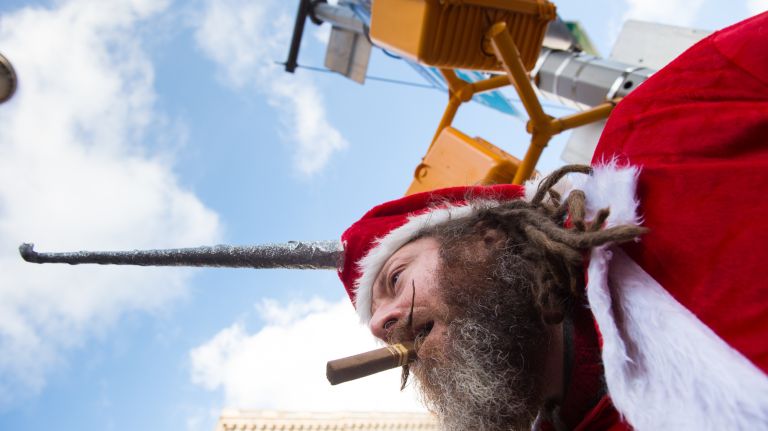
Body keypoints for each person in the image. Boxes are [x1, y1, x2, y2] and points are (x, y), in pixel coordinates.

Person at [337, 12, 768, 431]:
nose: (379, 326)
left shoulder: (655, 138)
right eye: (379, 325)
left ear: (484, 238)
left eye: (394, 280)